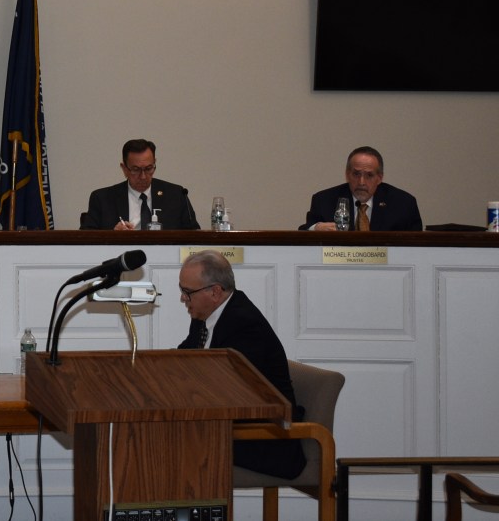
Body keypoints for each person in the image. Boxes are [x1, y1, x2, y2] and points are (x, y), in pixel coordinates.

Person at [177, 250, 306, 479]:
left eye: (187, 292)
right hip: (230, 426)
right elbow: (184, 363)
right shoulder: (203, 317)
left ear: (215, 292)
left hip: (265, 436)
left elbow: (230, 393)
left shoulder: (244, 324)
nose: (183, 299)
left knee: (171, 444)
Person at [80, 139, 200, 230]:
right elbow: (85, 238)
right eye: (136, 170)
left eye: (148, 168)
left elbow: (194, 234)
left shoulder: (176, 195)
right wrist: (113, 236)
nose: (143, 176)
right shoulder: (102, 199)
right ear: (124, 168)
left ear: (154, 164)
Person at [301, 146, 423, 231]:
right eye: (356, 174)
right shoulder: (324, 200)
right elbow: (304, 231)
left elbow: (418, 244)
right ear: (348, 174)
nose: (361, 182)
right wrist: (315, 228)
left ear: (380, 178)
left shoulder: (403, 203)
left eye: (369, 175)